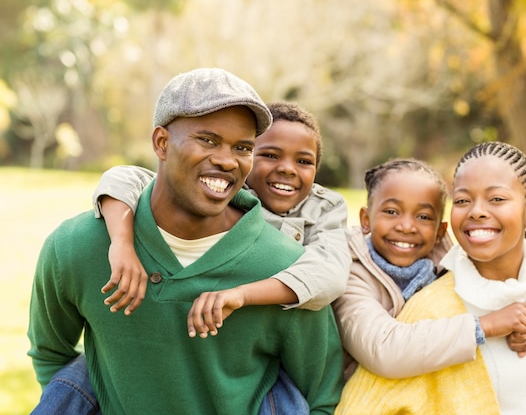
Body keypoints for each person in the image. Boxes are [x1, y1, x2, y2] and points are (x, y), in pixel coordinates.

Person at [27, 68, 345, 415]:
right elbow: (50, 356)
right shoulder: (78, 247)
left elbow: (321, 398)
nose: (226, 160)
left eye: (242, 147)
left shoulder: (286, 270)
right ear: (161, 143)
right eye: (207, 140)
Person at [334, 143, 526, 414]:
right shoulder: (426, 308)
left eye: (497, 199)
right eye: (463, 200)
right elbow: (383, 360)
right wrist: (487, 326)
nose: (477, 211)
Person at [93, 101, 350, 336]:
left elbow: (330, 275)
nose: (286, 168)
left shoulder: (324, 207)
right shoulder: (224, 189)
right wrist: (122, 242)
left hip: (282, 332)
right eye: (270, 155)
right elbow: (123, 178)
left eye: (304, 161)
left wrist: (242, 295)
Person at [332, 158, 526, 380]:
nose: (406, 226)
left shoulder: (443, 260)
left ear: (439, 232)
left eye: (423, 216)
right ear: (365, 220)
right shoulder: (349, 276)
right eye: (392, 212)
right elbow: (384, 350)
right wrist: (487, 325)